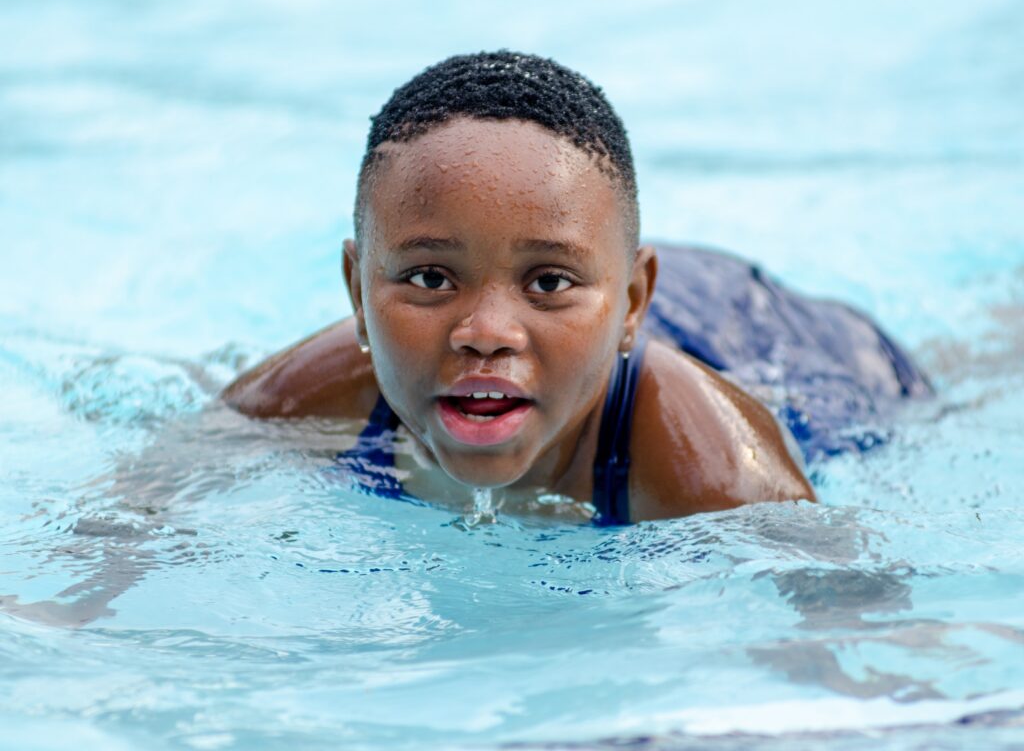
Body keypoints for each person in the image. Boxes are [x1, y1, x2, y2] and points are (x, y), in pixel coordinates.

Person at [222, 51, 930, 524]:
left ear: (631, 303)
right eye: (432, 277)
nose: (486, 331)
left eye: (545, 281)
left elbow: (849, 631)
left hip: (775, 343)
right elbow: (137, 519)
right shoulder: (309, 397)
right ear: (357, 294)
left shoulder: (709, 464)